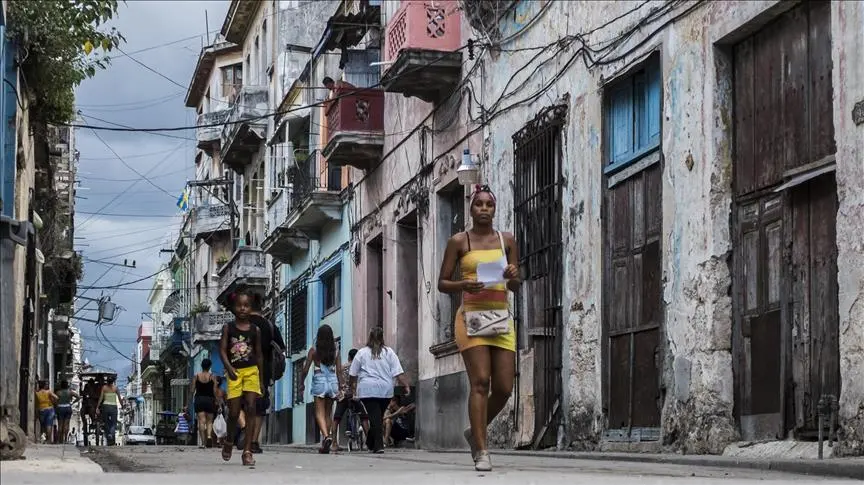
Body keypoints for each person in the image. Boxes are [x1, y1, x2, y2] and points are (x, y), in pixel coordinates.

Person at [437, 183, 520, 472]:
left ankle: (475, 430)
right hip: (470, 317)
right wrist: (464, 284)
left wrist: (513, 274)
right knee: (481, 381)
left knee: (505, 387)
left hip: (500, 318)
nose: (484, 209)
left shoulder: (506, 240)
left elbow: (516, 285)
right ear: (470, 209)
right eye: (479, 204)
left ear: (495, 209)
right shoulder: (459, 242)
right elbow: (442, 283)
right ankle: (482, 450)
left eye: (489, 205)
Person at [219, 287, 264, 466]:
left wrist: (260, 378)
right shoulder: (228, 328)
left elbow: (259, 354)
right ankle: (230, 440)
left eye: (246, 305)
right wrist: (229, 368)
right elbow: (222, 350)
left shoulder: (255, 330)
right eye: (239, 305)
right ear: (233, 308)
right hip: (235, 373)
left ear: (251, 307)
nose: (243, 309)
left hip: (252, 371)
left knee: (252, 408)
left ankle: (247, 451)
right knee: (235, 413)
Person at [348, 327, 411, 454]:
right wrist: (406, 385)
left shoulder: (361, 353)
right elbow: (398, 372)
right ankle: (376, 444)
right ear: (382, 338)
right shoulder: (389, 352)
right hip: (385, 391)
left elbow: (353, 374)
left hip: (368, 390)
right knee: (377, 416)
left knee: (375, 417)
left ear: (369, 337)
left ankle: (375, 445)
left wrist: (352, 388)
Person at [248, 305, 286, 454]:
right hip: (263, 371)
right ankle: (254, 441)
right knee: (260, 406)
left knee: (242, 403)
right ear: (262, 306)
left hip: (242, 368)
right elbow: (281, 349)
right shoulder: (270, 326)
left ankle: (246, 430)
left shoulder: (240, 324)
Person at [299, 324, 342, 454]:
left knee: (319, 413)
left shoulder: (313, 351)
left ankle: (326, 436)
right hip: (333, 382)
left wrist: (301, 383)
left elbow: (305, 370)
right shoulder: (336, 351)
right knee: (328, 413)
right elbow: (339, 371)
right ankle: (325, 441)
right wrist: (341, 387)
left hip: (320, 381)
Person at [331, 348, 368, 452]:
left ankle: (334, 443)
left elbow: (337, 381)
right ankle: (370, 442)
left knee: (336, 419)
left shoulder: (342, 368)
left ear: (348, 357)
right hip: (355, 396)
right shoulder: (360, 368)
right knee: (364, 417)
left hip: (343, 396)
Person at [190, 359, 219, 448]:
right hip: (209, 400)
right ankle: (209, 436)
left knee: (201, 421)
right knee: (209, 421)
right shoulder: (212, 377)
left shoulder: (196, 377)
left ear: (202, 366)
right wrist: (217, 400)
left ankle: (203, 443)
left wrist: (190, 399)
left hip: (199, 399)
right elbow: (214, 391)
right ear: (209, 366)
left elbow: (192, 390)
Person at [98, 376, 123, 446]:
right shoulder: (115, 388)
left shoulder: (104, 388)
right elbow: (120, 398)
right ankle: (111, 434)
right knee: (114, 423)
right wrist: (122, 405)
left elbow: (101, 398)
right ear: (113, 382)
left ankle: (108, 433)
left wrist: (97, 407)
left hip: (105, 406)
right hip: (113, 407)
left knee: (106, 422)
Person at [55, 380, 79, 445]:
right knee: (66, 424)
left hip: (60, 408)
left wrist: (57, 404)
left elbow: (55, 400)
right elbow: (78, 397)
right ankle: (66, 439)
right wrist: (72, 403)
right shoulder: (70, 392)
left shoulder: (58, 393)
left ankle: (59, 440)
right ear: (67, 385)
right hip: (68, 407)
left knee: (60, 424)